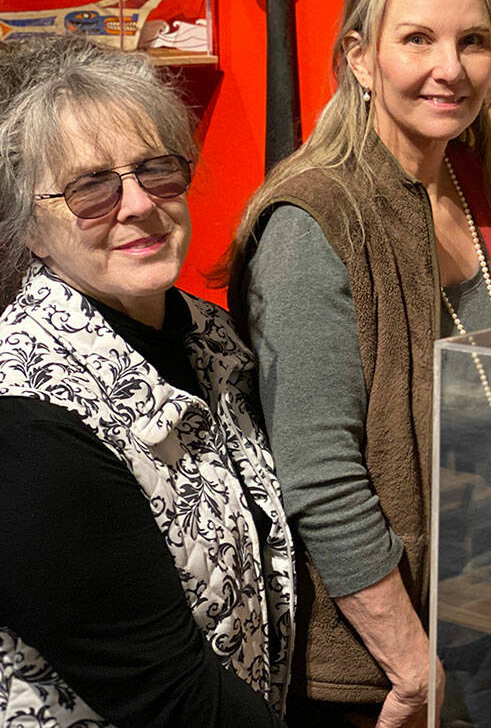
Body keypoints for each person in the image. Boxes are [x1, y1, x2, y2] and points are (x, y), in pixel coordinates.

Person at [226, 0, 491, 727]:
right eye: (418, 39)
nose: (450, 68)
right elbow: (320, 475)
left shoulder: (475, 189)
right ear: (360, 58)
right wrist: (410, 664)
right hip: (380, 666)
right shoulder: (314, 222)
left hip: (486, 611)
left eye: (472, 42)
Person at [0, 35, 295, 726]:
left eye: (156, 171)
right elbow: (167, 693)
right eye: (90, 188)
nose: (137, 204)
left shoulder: (215, 338)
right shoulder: (23, 419)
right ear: (31, 228)